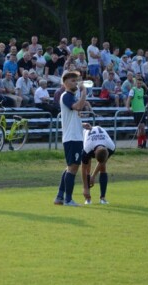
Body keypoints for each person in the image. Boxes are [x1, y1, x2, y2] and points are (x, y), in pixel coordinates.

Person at [54, 71, 88, 207]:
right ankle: (68, 200)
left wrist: (82, 124)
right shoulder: (67, 96)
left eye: (76, 80)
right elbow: (79, 106)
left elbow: (73, 115)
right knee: (73, 168)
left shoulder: (72, 97)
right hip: (72, 138)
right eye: (73, 80)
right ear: (66, 83)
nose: (76, 82)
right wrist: (84, 92)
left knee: (70, 167)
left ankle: (59, 197)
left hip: (74, 136)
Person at [81, 124, 116, 205]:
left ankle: (102, 198)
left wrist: (93, 176)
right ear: (94, 153)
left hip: (101, 139)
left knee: (103, 167)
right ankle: (88, 198)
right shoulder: (87, 149)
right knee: (87, 168)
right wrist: (85, 187)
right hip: (88, 138)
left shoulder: (111, 147)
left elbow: (102, 162)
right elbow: (83, 168)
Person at [125, 77, 148, 148]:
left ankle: (140, 143)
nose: (139, 84)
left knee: (142, 128)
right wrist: (127, 107)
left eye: (140, 83)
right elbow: (129, 99)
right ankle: (143, 141)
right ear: (135, 83)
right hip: (136, 111)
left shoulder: (142, 90)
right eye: (138, 83)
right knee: (141, 128)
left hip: (142, 110)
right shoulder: (133, 90)